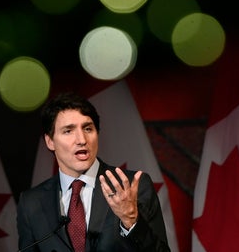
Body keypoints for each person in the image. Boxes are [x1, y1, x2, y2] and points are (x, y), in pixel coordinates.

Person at [16, 91, 171, 252]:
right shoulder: (31, 202)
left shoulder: (132, 186)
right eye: (68, 131)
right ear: (50, 141)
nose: (82, 140)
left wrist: (131, 221)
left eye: (88, 129)